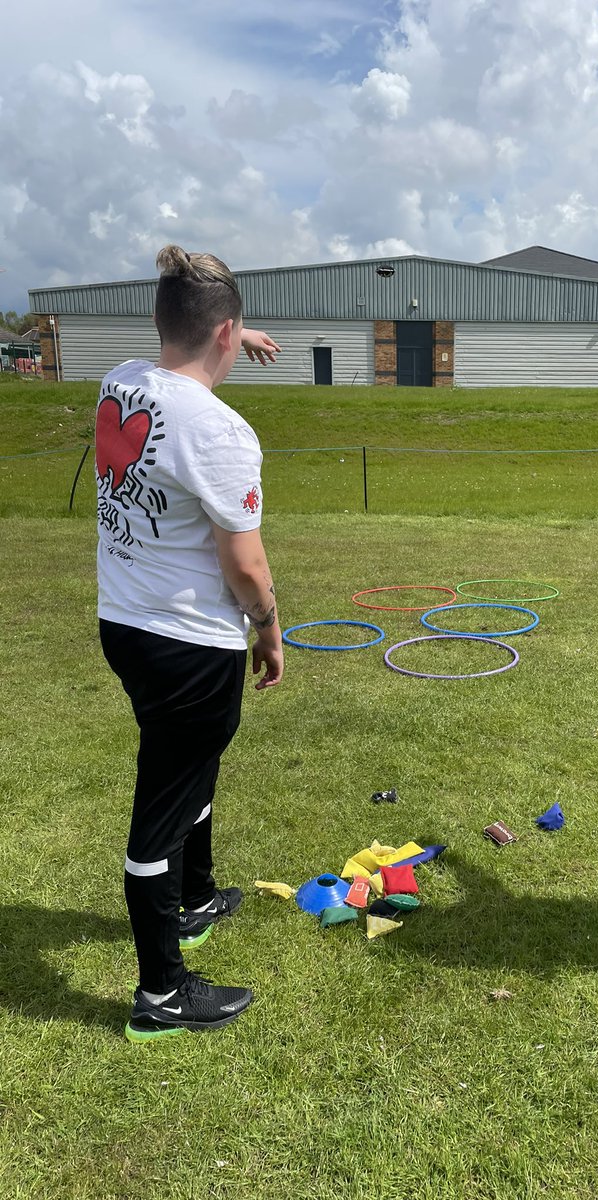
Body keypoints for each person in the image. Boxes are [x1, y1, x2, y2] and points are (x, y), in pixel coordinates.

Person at [96, 245, 284, 1041]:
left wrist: (240, 334)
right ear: (225, 333)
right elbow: (244, 564)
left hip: (126, 625)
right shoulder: (222, 432)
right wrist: (270, 628)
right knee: (162, 805)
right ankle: (162, 993)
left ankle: (196, 896)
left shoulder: (122, 379)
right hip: (187, 643)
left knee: (191, 766)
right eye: (237, 339)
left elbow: (184, 348)